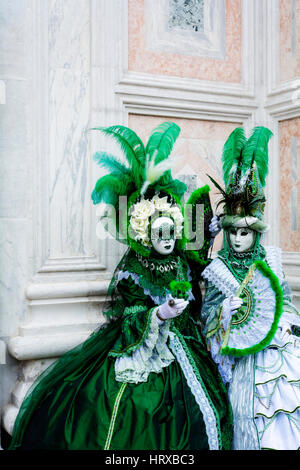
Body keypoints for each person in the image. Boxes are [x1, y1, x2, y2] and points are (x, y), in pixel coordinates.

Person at [9, 121, 233, 450]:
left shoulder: (181, 257)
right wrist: (158, 314)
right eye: (161, 234)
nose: (169, 241)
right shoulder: (133, 268)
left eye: (173, 233)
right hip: (147, 348)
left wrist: (211, 230)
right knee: (136, 407)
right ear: (146, 234)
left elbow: (198, 260)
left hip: (187, 342)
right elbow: (129, 313)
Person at [201, 126, 300, 450]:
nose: (239, 239)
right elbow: (208, 317)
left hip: (277, 349)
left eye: (246, 233)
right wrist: (224, 315)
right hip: (242, 357)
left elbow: (282, 298)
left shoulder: (270, 259)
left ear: (256, 234)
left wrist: (286, 324)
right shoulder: (217, 269)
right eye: (233, 233)